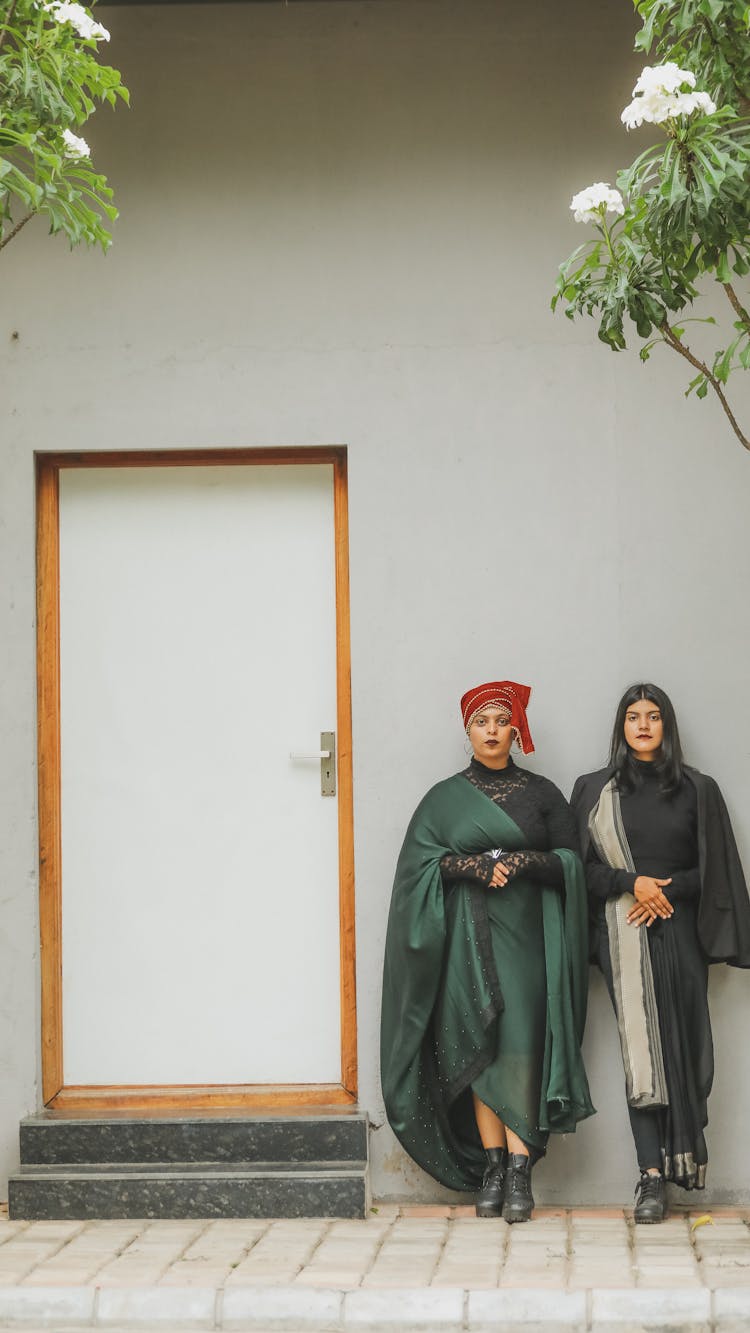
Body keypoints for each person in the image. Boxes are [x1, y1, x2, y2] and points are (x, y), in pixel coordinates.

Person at [380, 681, 594, 1223]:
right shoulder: (442, 798)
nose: (492, 731)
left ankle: (522, 1170)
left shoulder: (542, 793)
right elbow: (418, 870)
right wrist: (470, 866)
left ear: (517, 727)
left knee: (520, 1044)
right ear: (468, 730)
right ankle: (493, 1166)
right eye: (482, 722)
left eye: (502, 721)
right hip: (463, 943)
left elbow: (572, 861)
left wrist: (524, 862)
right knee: (477, 1042)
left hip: (526, 941)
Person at [572, 683, 750, 1224]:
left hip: (679, 935)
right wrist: (633, 882)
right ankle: (650, 1177)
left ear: (667, 726)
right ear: (621, 727)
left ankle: (680, 1163)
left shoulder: (698, 789)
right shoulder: (595, 790)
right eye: (633, 716)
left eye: (653, 716)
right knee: (641, 1056)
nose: (643, 725)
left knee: (685, 1049)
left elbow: (714, 871)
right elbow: (581, 869)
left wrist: (663, 891)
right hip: (622, 932)